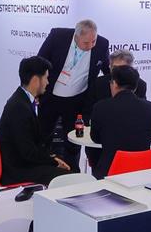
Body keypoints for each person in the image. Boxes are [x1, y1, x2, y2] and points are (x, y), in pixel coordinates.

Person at [37, 20, 110, 170]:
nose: (90, 46)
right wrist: (36, 92)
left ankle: (73, 173)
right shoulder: (57, 36)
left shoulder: (102, 44)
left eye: (93, 41)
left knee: (74, 141)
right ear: (75, 37)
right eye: (86, 42)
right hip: (51, 97)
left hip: (78, 101)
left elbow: (107, 72)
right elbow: (39, 62)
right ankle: (41, 173)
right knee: (43, 136)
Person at [0, 56, 74, 190]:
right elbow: (28, 152)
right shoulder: (19, 107)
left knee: (66, 169)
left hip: (22, 162)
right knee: (68, 177)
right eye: (46, 78)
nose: (48, 82)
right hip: (17, 169)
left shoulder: (22, 100)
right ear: (35, 80)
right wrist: (53, 161)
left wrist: (52, 158)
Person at [89, 65, 151, 179]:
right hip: (144, 168)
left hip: (111, 168)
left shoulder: (100, 107)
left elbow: (95, 138)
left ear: (115, 84)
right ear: (135, 86)